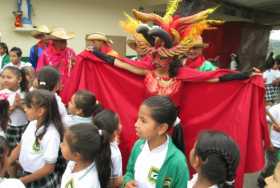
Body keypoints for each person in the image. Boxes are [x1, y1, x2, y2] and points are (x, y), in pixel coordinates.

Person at [123, 96, 189, 188]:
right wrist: (127, 182)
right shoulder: (138, 146)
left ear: (162, 128)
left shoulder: (177, 162)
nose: (136, 124)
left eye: (143, 121)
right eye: (138, 118)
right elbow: (129, 172)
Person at [8, 89, 64, 187]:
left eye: (28, 107)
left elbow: (49, 168)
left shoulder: (52, 134)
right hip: (27, 174)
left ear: (41, 111)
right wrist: (8, 162)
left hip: (40, 180)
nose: (24, 109)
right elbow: (21, 146)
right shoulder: (32, 124)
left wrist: (22, 181)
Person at [60, 124, 112, 188]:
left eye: (64, 144)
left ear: (77, 155)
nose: (61, 145)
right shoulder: (74, 162)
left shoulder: (88, 183)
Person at [36, 27, 76, 98]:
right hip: (51, 89)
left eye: (65, 40)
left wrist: (74, 64)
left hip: (69, 88)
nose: (66, 42)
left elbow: (75, 69)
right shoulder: (45, 54)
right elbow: (40, 72)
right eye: (62, 40)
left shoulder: (71, 52)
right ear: (54, 41)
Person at [0, 66, 29, 148]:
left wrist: (20, 105)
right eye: (3, 77)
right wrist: (14, 106)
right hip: (9, 126)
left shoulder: (25, 93)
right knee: (9, 147)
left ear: (19, 79)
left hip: (24, 125)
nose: (5, 79)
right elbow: (3, 114)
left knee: (22, 147)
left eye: (9, 77)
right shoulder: (2, 94)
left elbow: (30, 111)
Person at [93, 109, 122, 187]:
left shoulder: (90, 145)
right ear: (115, 132)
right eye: (119, 122)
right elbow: (116, 181)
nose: (121, 124)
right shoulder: (115, 153)